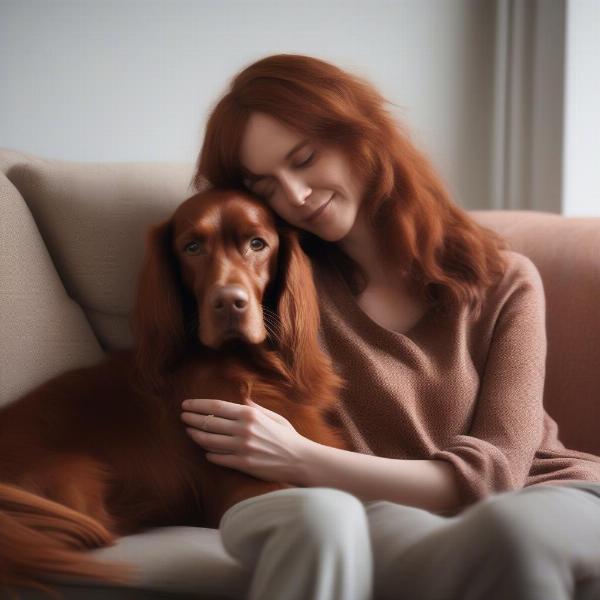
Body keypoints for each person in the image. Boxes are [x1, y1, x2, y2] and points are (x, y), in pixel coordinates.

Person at [179, 54, 600, 600]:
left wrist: (299, 456)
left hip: (551, 492)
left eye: (304, 159)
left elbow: (494, 477)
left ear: (361, 134)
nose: (296, 195)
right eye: (265, 185)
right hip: (385, 514)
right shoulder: (279, 291)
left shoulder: (505, 280)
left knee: (508, 533)